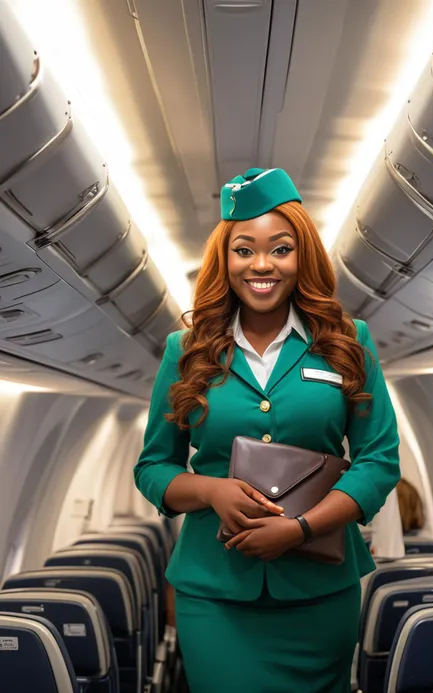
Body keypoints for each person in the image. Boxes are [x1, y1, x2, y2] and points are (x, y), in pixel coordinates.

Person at [134, 168, 400, 693]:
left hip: (319, 594)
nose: (261, 265)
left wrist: (301, 529)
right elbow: (153, 468)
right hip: (216, 595)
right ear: (224, 259)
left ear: (302, 257)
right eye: (243, 249)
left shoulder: (348, 341)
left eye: (280, 249)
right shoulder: (184, 350)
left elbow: (378, 460)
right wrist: (212, 489)